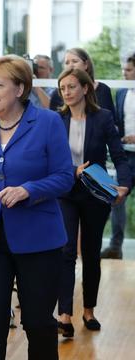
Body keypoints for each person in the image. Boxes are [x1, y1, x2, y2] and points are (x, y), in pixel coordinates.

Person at [0, 54, 74, 359]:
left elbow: (64, 177)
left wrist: (28, 190)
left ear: (20, 89)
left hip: (39, 239)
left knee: (37, 323)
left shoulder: (48, 121)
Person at [56, 68, 131, 337]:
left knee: (90, 253)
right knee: (65, 251)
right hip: (65, 192)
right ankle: (64, 314)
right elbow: (51, 158)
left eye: (72, 87)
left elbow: (120, 157)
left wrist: (124, 186)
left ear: (85, 89)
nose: (66, 92)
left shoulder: (103, 118)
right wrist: (69, 171)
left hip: (95, 194)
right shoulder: (58, 119)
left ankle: (89, 310)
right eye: (63, 88)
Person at [102, 53, 135, 260]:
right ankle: (115, 247)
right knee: (117, 198)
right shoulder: (121, 92)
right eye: (124, 70)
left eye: (129, 70)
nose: (124, 73)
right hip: (126, 156)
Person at [50, 48, 116, 120]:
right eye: (67, 63)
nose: (70, 66)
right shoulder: (58, 93)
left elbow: (112, 120)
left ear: (85, 65)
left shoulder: (103, 89)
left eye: (75, 61)